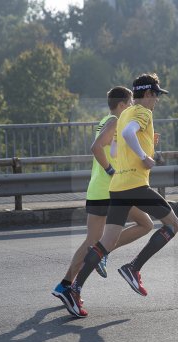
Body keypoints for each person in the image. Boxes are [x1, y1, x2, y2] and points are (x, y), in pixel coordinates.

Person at [70, 73, 178, 315]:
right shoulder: (142, 112)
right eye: (156, 96)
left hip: (118, 186)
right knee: (173, 224)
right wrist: (144, 157)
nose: (157, 101)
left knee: (105, 243)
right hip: (135, 184)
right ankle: (133, 267)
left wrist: (146, 143)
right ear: (148, 94)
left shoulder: (123, 116)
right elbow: (130, 135)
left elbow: (114, 147)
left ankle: (75, 288)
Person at [52, 86, 153, 318]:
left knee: (92, 240)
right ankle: (103, 254)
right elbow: (96, 148)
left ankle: (66, 285)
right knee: (146, 224)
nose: (131, 108)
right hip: (109, 190)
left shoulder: (107, 119)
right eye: (129, 103)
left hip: (97, 189)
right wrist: (111, 171)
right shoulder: (116, 121)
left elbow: (112, 149)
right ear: (121, 105)